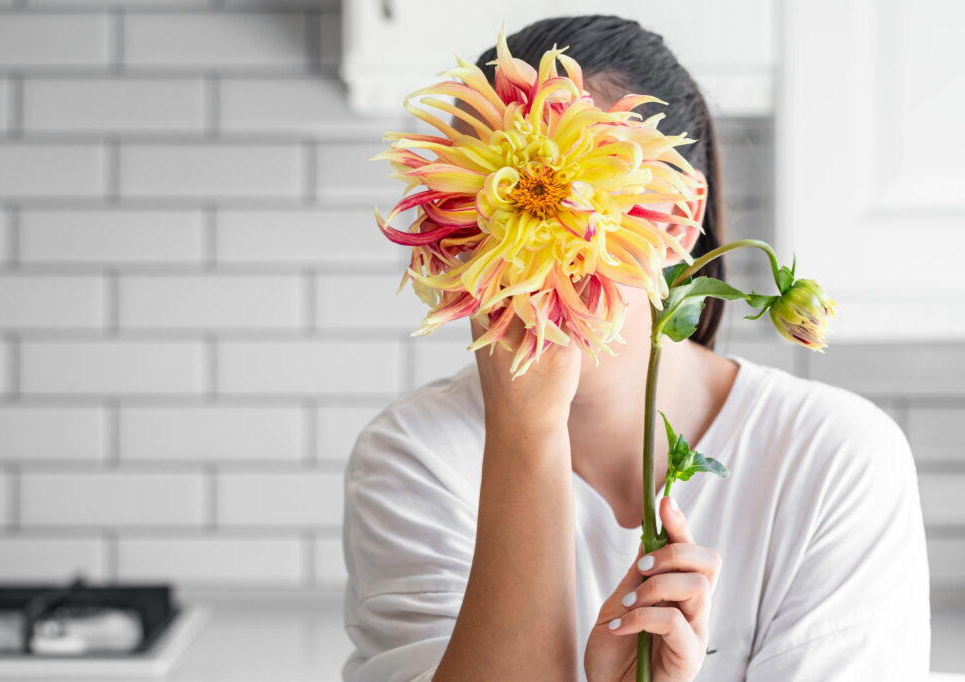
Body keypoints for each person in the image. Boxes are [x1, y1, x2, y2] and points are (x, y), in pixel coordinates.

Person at [341, 15, 930, 682]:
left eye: (563, 197)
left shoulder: (837, 458)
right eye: (478, 204)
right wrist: (525, 432)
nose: (512, 244)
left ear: (678, 221)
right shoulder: (413, 458)